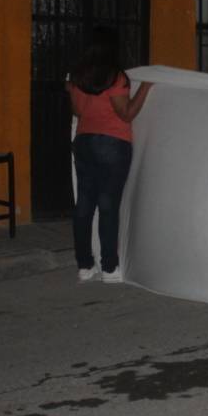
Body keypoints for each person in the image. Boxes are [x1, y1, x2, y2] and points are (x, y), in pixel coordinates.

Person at [67, 26, 152, 284]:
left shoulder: (77, 77)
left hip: (84, 142)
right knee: (108, 206)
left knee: (84, 206)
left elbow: (78, 112)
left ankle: (84, 265)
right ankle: (110, 268)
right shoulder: (116, 77)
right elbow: (126, 114)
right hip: (113, 144)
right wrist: (146, 87)